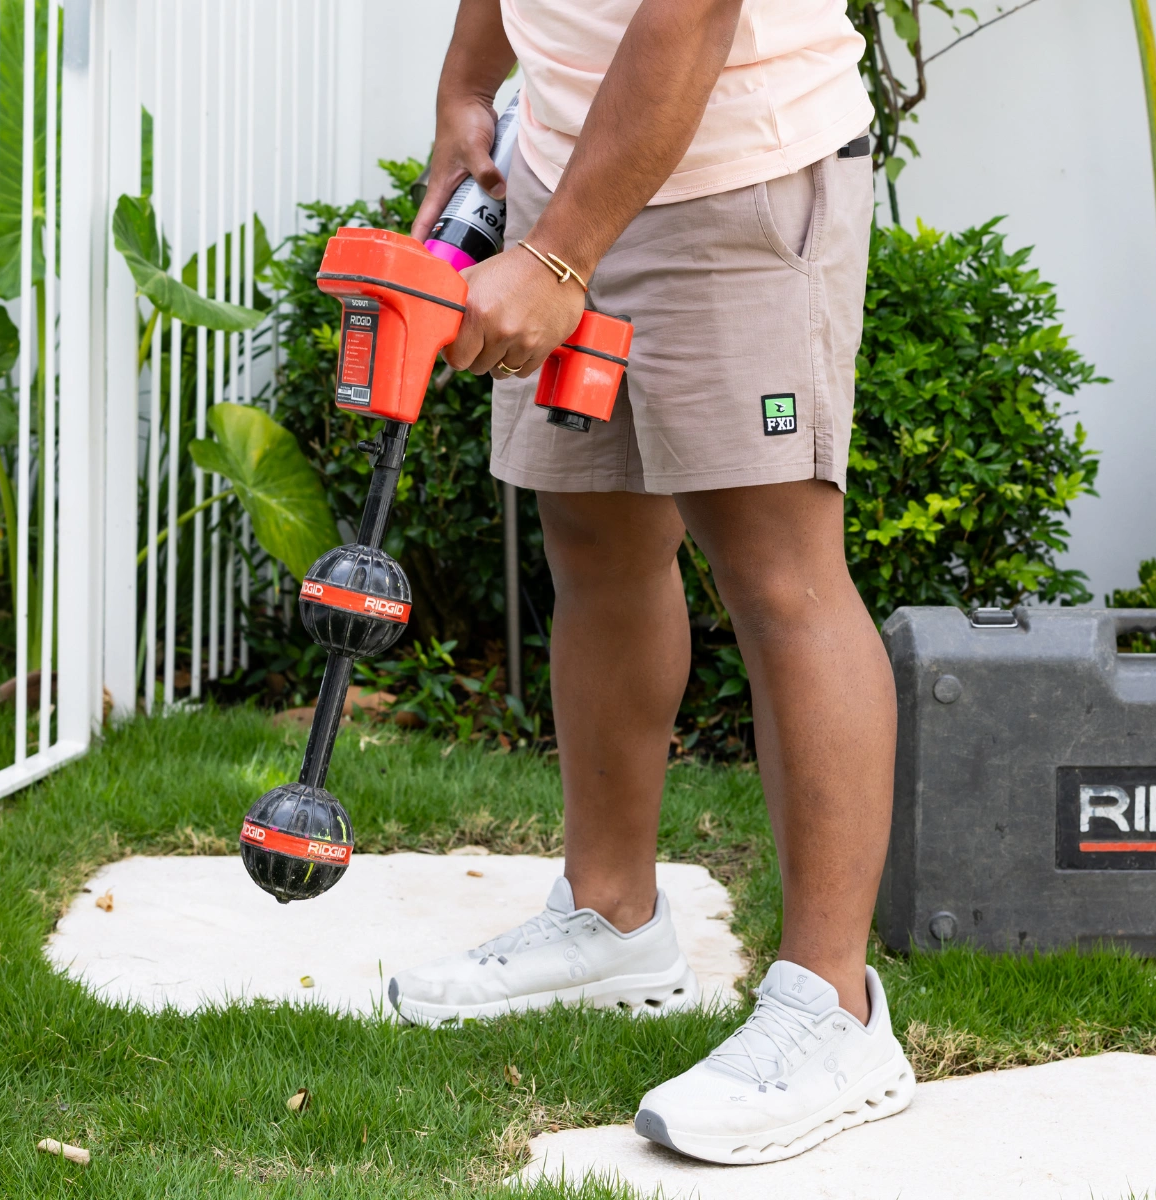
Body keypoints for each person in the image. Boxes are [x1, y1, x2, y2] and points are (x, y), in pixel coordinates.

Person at [385, 0, 914, 1165]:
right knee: (597, 541)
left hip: (738, 177)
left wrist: (558, 256)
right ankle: (611, 914)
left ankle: (835, 1012)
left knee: (780, 573)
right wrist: (470, 88)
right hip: (564, 174)